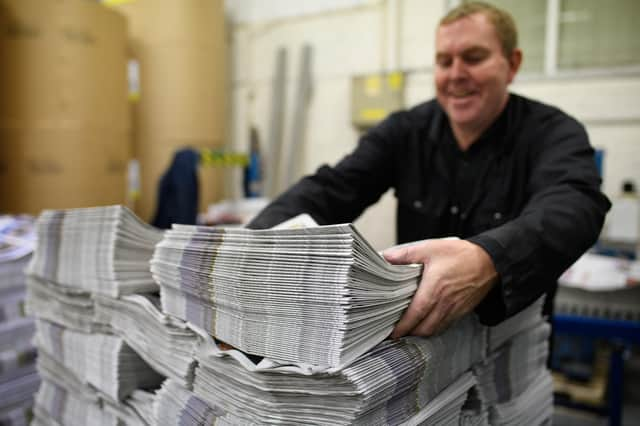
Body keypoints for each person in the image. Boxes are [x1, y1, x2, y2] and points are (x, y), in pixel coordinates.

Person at [247, 2, 611, 339]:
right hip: (421, 345)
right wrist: (252, 245)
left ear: (512, 64)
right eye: (444, 61)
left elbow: (576, 204)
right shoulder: (405, 131)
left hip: (508, 342)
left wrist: (489, 258)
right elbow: (332, 188)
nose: (456, 75)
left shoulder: (553, 132)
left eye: (474, 57)